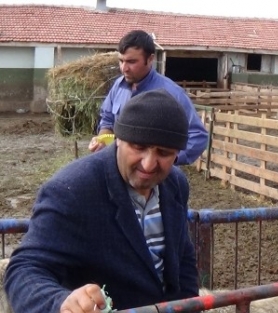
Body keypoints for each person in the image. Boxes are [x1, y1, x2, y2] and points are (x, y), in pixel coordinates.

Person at [5, 89, 199, 312]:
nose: (148, 164)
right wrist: (60, 302)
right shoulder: (73, 190)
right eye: (139, 147)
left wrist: (190, 305)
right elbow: (25, 269)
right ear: (118, 140)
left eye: (163, 153)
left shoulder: (175, 184)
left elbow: (182, 257)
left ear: (177, 154)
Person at [88, 29, 208, 166]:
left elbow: (198, 135)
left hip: (153, 177)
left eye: (131, 62)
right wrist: (102, 139)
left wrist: (166, 160)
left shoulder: (172, 93)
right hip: (118, 168)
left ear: (150, 59)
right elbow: (107, 119)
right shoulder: (118, 86)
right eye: (121, 61)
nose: (124, 68)